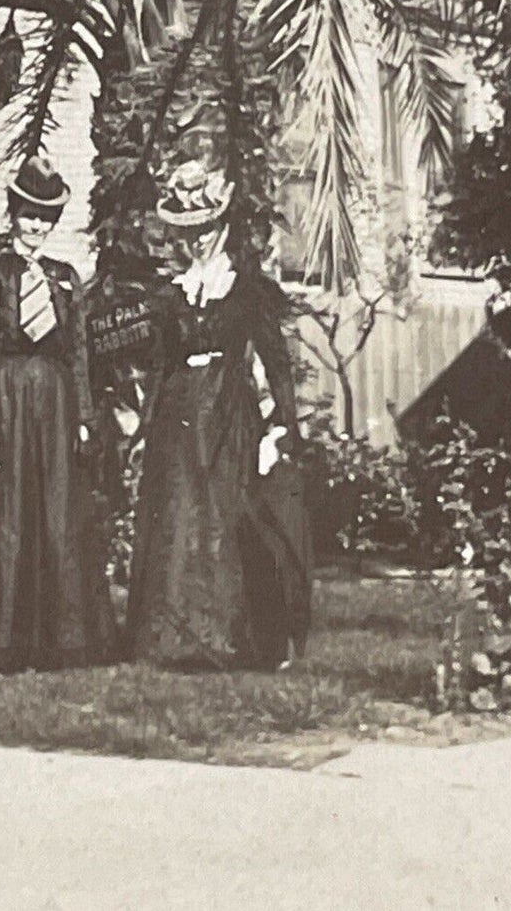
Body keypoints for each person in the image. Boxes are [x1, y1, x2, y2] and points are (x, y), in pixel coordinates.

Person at [125, 160, 312, 669]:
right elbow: (160, 366)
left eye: (206, 228)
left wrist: (281, 429)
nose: (198, 241)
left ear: (222, 224)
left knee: (230, 518)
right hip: (179, 419)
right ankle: (174, 638)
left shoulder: (248, 289)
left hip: (231, 415)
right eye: (188, 231)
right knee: (180, 516)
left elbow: (277, 364)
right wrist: (143, 429)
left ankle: (233, 637)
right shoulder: (171, 294)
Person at [0, 155, 115, 669]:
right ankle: (1, 635)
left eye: (45, 218)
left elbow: (78, 353)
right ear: (13, 214)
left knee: (56, 511)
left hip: (53, 408)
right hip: (8, 403)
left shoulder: (65, 279)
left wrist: (82, 417)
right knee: (6, 515)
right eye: (28, 215)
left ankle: (61, 635)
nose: (35, 227)